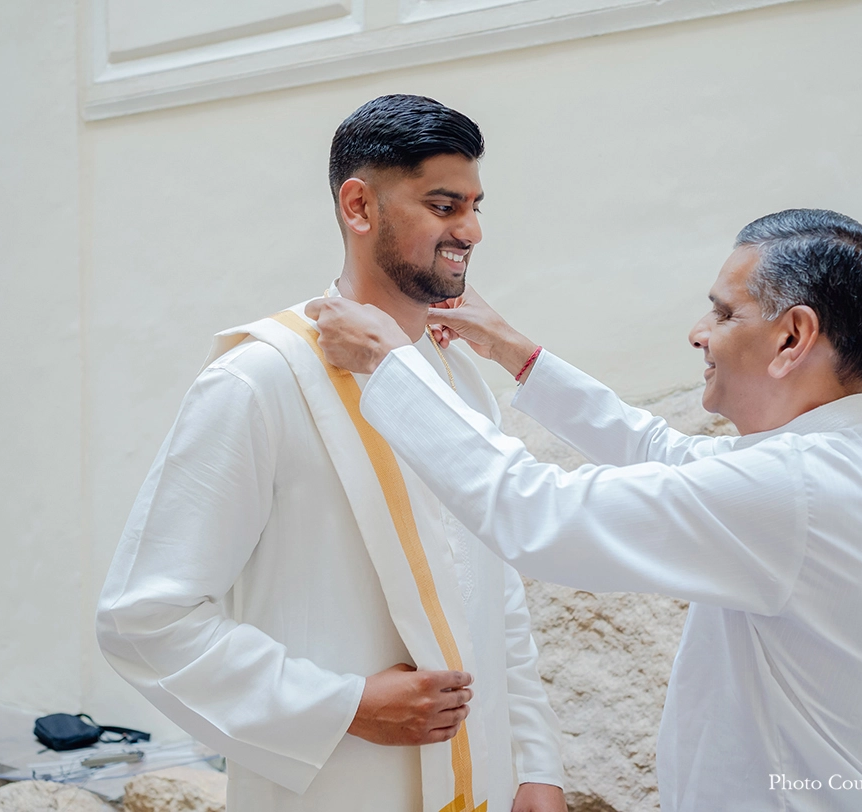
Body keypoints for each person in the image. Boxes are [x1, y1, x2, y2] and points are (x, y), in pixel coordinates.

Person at [306, 209, 862, 812]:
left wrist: (392, 367)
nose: (699, 333)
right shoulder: (859, 464)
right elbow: (660, 452)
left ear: (792, 337)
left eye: (723, 311)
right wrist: (515, 352)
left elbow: (533, 512)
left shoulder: (794, 489)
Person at [96, 95, 565, 812]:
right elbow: (145, 619)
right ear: (358, 206)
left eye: (473, 205)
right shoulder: (260, 380)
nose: (469, 230)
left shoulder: (461, 378)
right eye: (443, 206)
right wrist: (344, 706)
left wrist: (535, 764)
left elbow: (495, 593)